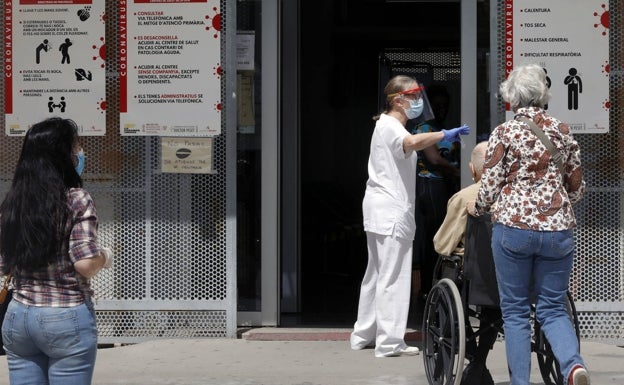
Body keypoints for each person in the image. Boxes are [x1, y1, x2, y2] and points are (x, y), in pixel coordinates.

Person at [468, 64, 589, 385]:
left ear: (512, 98)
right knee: (552, 308)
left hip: (514, 230)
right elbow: (575, 187)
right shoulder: (562, 130)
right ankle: (573, 366)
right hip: (558, 230)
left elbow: (489, 186)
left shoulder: (505, 132)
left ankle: (520, 382)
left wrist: (477, 207)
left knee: (517, 313)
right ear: (543, 94)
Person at [350, 75, 469, 358]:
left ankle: (363, 334)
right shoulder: (391, 127)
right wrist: (443, 135)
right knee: (393, 276)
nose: (418, 102)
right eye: (413, 96)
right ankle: (389, 342)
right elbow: (412, 142)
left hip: (381, 210)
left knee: (376, 274)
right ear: (398, 100)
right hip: (391, 212)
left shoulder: (385, 126)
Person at [0, 117, 113, 384]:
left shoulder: (13, 201)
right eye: (76, 147)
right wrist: (105, 257)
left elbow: (6, 266)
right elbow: (84, 263)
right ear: (62, 154)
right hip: (66, 314)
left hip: (18, 316)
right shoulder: (76, 199)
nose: (79, 153)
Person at [433, 141, 498, 385]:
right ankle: (480, 361)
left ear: (473, 169)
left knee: (446, 274)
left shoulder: (464, 197)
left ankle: (475, 358)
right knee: (495, 305)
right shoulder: (516, 198)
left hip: (471, 276)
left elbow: (443, 244)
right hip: (506, 276)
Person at [412, 84, 462, 300]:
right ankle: (428, 288)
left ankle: (440, 282)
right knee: (434, 235)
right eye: (438, 105)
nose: (442, 109)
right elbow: (433, 159)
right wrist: (457, 172)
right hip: (430, 185)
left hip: (445, 184)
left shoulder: (442, 128)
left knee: (444, 232)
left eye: (446, 105)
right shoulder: (424, 129)